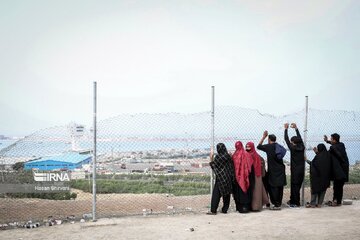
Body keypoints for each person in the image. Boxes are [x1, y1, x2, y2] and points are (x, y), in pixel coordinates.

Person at [257, 131, 287, 210]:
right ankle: (279, 204)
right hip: (281, 169)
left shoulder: (268, 147)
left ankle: (275, 204)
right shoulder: (279, 146)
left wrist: (263, 137)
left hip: (272, 170)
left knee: (273, 187)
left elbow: (258, 146)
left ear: (269, 139)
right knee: (280, 187)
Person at [208, 143, 234, 214]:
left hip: (220, 178)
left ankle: (213, 210)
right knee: (227, 193)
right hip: (228, 178)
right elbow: (231, 166)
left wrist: (211, 158)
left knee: (216, 194)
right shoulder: (228, 156)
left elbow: (214, 167)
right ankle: (224, 210)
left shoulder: (218, 157)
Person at [324, 133, 349, 206]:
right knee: (340, 186)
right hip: (344, 168)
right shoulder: (342, 145)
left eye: (331, 139)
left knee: (336, 186)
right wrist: (327, 141)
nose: (330, 140)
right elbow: (335, 144)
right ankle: (338, 201)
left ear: (334, 140)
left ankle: (335, 201)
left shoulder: (333, 148)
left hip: (338, 170)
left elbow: (329, 153)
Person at [284, 123, 305, 207]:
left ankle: (296, 203)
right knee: (297, 187)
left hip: (295, 171)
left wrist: (286, 129)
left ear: (293, 143)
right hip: (301, 170)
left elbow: (286, 139)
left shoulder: (293, 148)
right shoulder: (302, 146)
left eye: (291, 141)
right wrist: (296, 128)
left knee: (295, 187)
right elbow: (300, 139)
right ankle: (293, 200)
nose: (290, 142)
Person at [305, 144, 332, 208]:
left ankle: (313, 204)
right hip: (325, 177)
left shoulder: (318, 157)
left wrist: (306, 160)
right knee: (323, 189)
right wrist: (316, 152)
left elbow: (313, 164)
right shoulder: (328, 155)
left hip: (317, 177)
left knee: (315, 189)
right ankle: (320, 204)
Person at [246, 141, 270, 211]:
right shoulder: (250, 155)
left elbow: (261, 164)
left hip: (256, 175)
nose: (248, 148)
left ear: (252, 147)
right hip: (250, 175)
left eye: (249, 146)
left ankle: (255, 207)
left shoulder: (255, 155)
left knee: (256, 191)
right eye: (247, 146)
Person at [232, 141, 253, 213]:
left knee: (238, 193)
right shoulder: (247, 154)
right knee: (247, 192)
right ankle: (247, 207)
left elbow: (233, 167)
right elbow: (250, 166)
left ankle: (239, 208)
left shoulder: (234, 155)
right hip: (246, 176)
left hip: (237, 178)